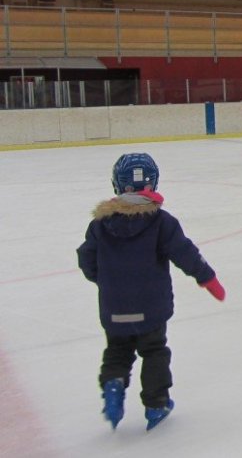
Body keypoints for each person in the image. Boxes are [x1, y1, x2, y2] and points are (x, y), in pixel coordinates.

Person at [77, 153, 225, 431]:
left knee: (117, 350)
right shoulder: (161, 222)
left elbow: (86, 259)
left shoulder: (99, 225)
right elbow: (186, 254)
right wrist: (208, 278)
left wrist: (106, 282)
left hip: (115, 306)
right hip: (151, 307)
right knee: (154, 350)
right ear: (153, 183)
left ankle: (113, 384)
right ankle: (156, 404)